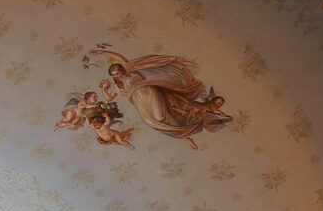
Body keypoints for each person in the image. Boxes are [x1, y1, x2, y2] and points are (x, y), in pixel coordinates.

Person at [86, 46, 231, 147]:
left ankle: (198, 115)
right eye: (114, 75)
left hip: (149, 92)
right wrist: (105, 88)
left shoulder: (131, 72)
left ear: (122, 70)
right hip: (140, 103)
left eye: (117, 73)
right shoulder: (119, 87)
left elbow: (120, 57)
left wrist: (103, 52)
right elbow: (109, 99)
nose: (117, 76)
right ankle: (185, 135)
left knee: (160, 116)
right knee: (153, 123)